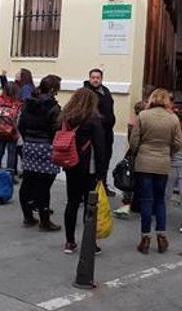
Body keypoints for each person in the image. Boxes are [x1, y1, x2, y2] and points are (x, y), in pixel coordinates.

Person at [128, 88, 182, 254]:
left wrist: (138, 152)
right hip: (163, 163)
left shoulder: (143, 116)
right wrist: (168, 151)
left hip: (144, 162)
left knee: (146, 200)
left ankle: (145, 238)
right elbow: (179, 142)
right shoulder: (173, 118)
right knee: (160, 200)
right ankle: (161, 236)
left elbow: (134, 141)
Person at [59, 88, 107, 254]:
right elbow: (100, 146)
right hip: (89, 167)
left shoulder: (66, 117)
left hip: (71, 163)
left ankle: (69, 241)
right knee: (90, 205)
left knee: (72, 202)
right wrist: (102, 172)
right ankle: (89, 242)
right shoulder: (93, 119)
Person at [18, 75, 63, 231]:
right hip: (46, 147)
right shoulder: (53, 108)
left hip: (29, 144)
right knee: (44, 186)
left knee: (28, 182)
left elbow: (21, 124)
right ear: (52, 89)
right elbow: (56, 129)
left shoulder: (28, 104)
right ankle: (45, 221)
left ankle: (28, 216)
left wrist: (27, 138)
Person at [113, 84, 155, 220]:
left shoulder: (133, 123)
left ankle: (127, 204)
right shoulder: (142, 123)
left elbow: (133, 141)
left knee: (130, 178)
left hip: (133, 153)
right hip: (142, 154)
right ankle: (134, 204)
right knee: (136, 180)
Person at [82, 68, 117, 195]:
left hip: (107, 133)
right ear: (89, 78)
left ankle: (102, 186)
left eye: (98, 77)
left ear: (101, 79)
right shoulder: (86, 93)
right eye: (93, 77)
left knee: (105, 160)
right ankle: (87, 189)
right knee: (92, 163)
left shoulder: (106, 91)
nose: (95, 80)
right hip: (93, 134)